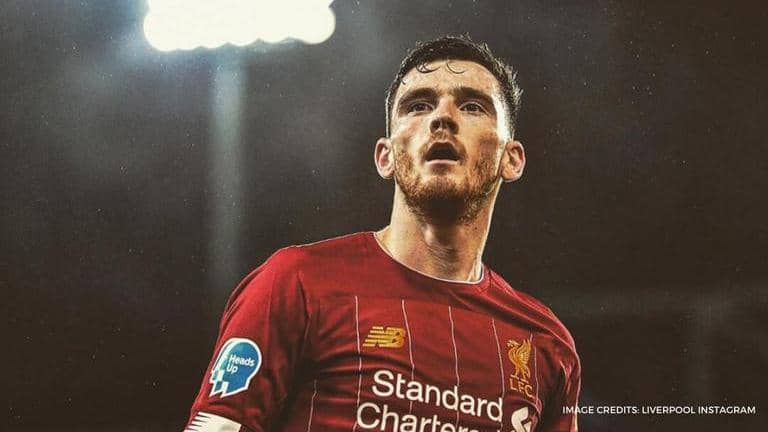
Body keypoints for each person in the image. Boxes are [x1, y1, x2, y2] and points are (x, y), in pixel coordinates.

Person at [184, 35, 580, 432]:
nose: (442, 118)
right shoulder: (297, 283)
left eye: (472, 106)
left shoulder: (544, 343)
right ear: (385, 156)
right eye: (418, 105)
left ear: (512, 159)